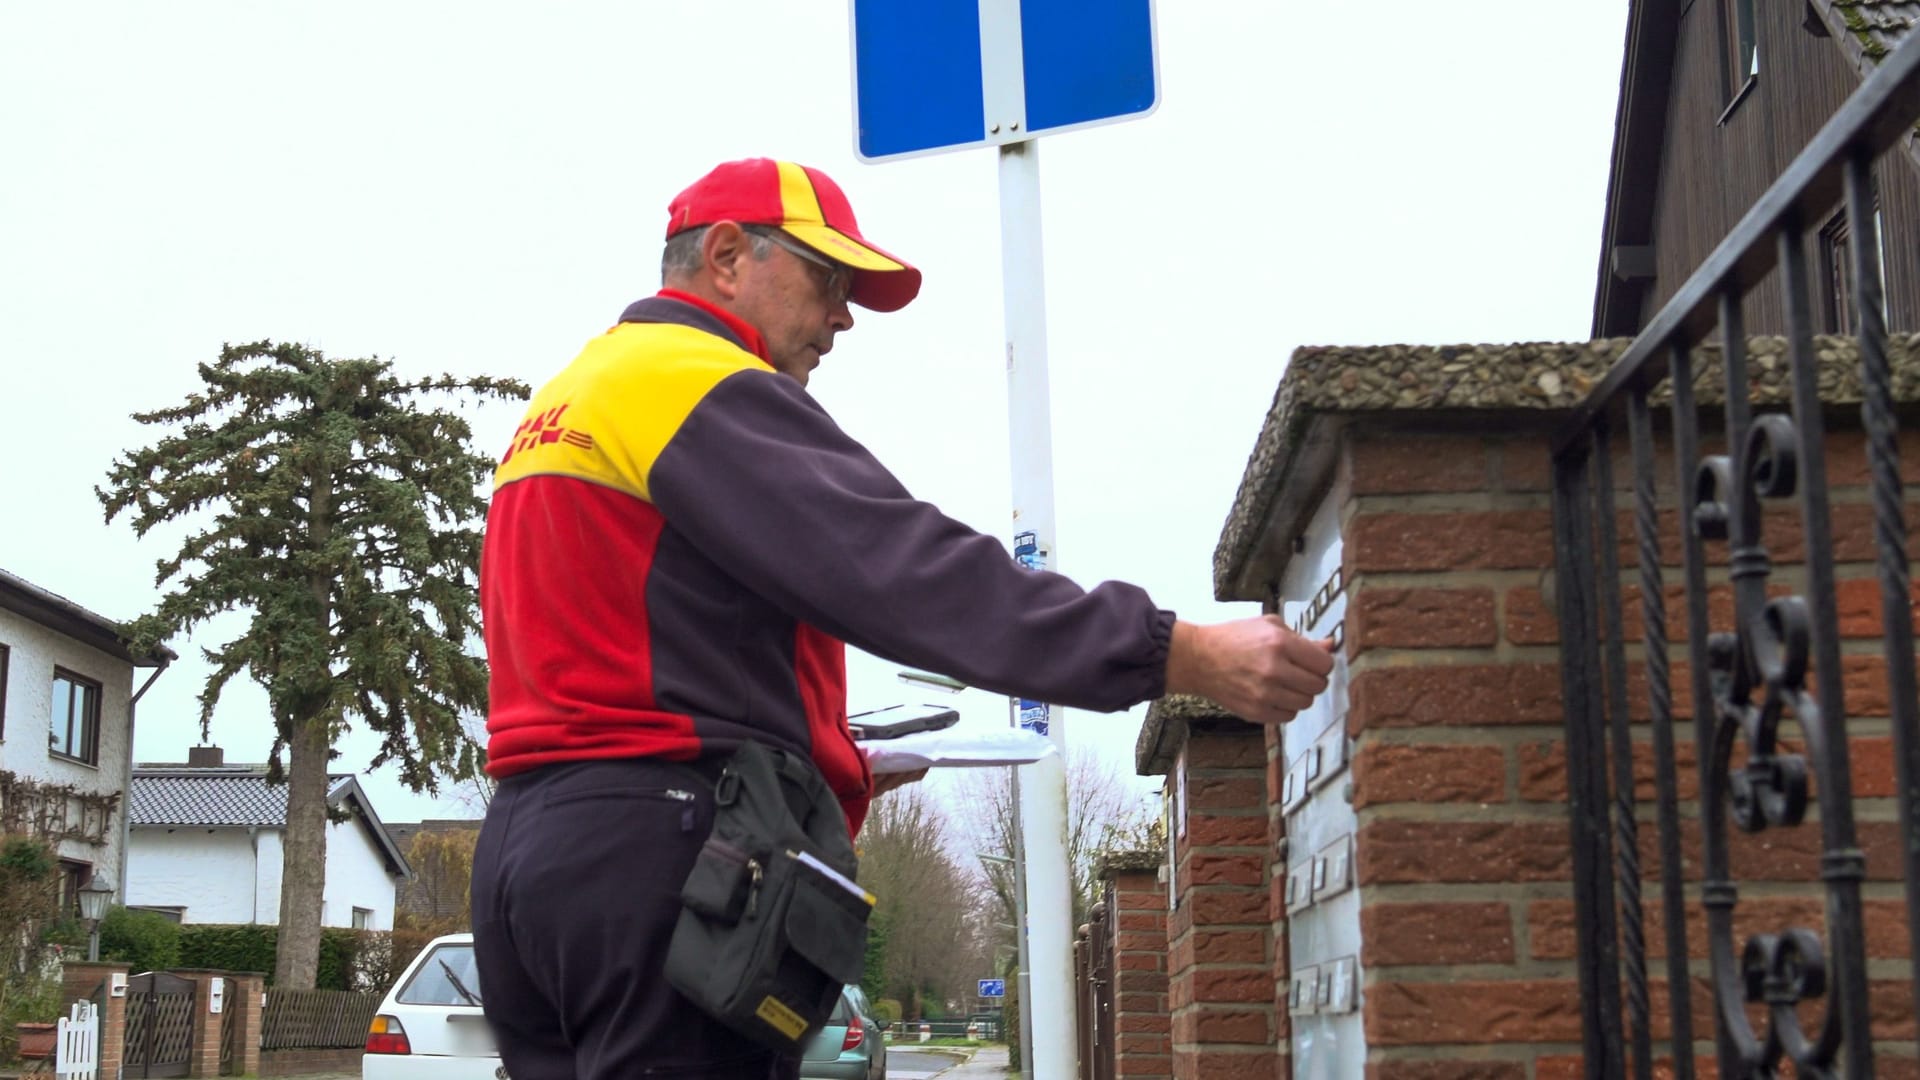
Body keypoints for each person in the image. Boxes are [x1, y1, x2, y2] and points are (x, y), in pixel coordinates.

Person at [470, 157, 1336, 1080]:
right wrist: (1176, 651)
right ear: (727, 255)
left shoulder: (571, 395)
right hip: (660, 855)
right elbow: (907, 570)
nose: (842, 317)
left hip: (531, 857)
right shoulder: (695, 381)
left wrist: (820, 754)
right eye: (828, 280)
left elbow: (638, 648)